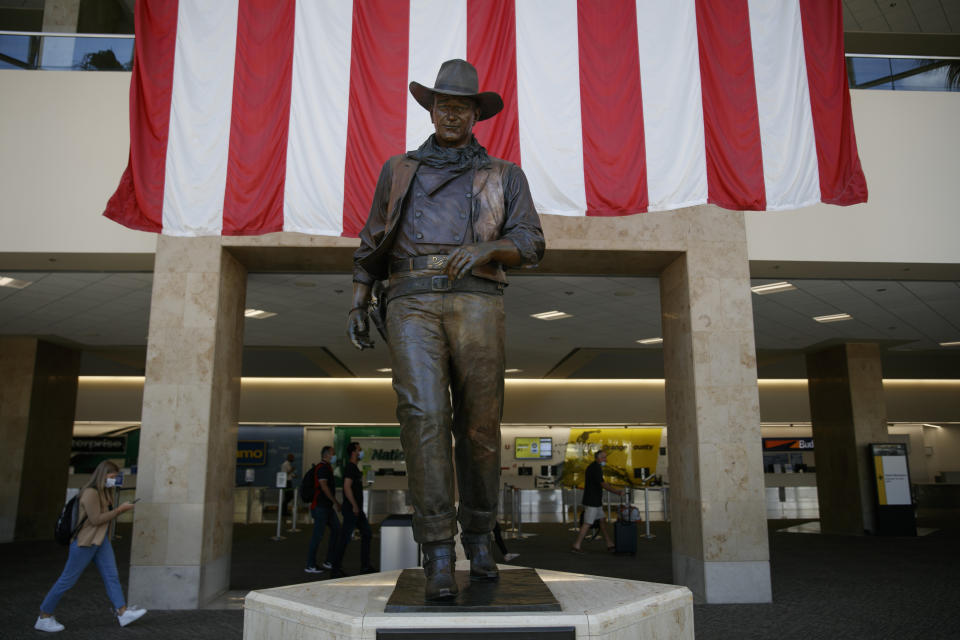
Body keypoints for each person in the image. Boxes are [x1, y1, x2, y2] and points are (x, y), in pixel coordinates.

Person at [347, 59, 544, 601]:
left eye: (461, 105)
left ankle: (480, 534)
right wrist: (361, 297)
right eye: (442, 104)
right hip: (409, 300)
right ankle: (437, 550)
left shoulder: (504, 175)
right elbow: (372, 237)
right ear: (431, 110)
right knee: (423, 418)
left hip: (478, 298)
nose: (450, 113)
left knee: (480, 426)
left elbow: (532, 242)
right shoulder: (399, 169)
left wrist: (489, 247)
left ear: (476, 114)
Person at [35, 460, 147, 632]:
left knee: (112, 576)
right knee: (67, 580)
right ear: (103, 475)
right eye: (112, 476)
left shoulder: (105, 492)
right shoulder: (90, 493)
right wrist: (120, 510)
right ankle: (44, 615)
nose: (114, 479)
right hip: (85, 542)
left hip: (101, 541)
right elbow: (96, 520)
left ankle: (122, 612)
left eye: (116, 476)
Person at [332, 442, 376, 574]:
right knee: (345, 538)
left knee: (367, 534)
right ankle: (335, 569)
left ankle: (365, 566)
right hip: (352, 509)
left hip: (357, 510)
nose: (361, 452)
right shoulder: (350, 468)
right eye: (359, 450)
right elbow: (346, 487)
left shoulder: (355, 468)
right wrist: (355, 505)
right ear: (353, 452)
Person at [571, 450, 623, 554]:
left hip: (595, 501)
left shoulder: (594, 467)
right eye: (603, 457)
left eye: (605, 457)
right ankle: (576, 546)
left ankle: (609, 543)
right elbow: (602, 484)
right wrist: (617, 492)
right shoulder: (596, 468)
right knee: (587, 523)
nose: (605, 459)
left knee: (602, 520)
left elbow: (600, 483)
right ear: (598, 458)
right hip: (592, 502)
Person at [305, 446, 343, 577]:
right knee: (317, 536)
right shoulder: (322, 468)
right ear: (327, 455)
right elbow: (324, 486)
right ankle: (310, 565)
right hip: (320, 507)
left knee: (337, 529)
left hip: (326, 507)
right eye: (333, 453)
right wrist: (336, 502)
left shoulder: (326, 467)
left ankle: (329, 561)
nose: (334, 456)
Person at [279, 453, 297, 523]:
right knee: (288, 496)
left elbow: (289, 473)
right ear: (289, 457)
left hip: (289, 482)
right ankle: (283, 511)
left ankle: (284, 511)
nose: (293, 459)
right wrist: (292, 470)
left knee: (289, 496)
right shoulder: (285, 464)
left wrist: (294, 475)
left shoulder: (288, 464)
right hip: (286, 482)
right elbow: (284, 474)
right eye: (292, 458)